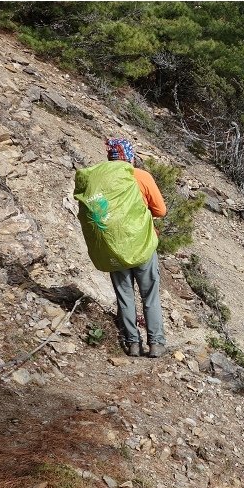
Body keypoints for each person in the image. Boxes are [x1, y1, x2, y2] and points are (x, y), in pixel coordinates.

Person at [103, 137, 168, 357]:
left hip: (114, 246)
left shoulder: (102, 180)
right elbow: (160, 211)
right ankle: (156, 344)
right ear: (129, 156)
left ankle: (133, 343)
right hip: (141, 245)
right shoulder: (140, 176)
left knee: (125, 295)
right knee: (149, 294)